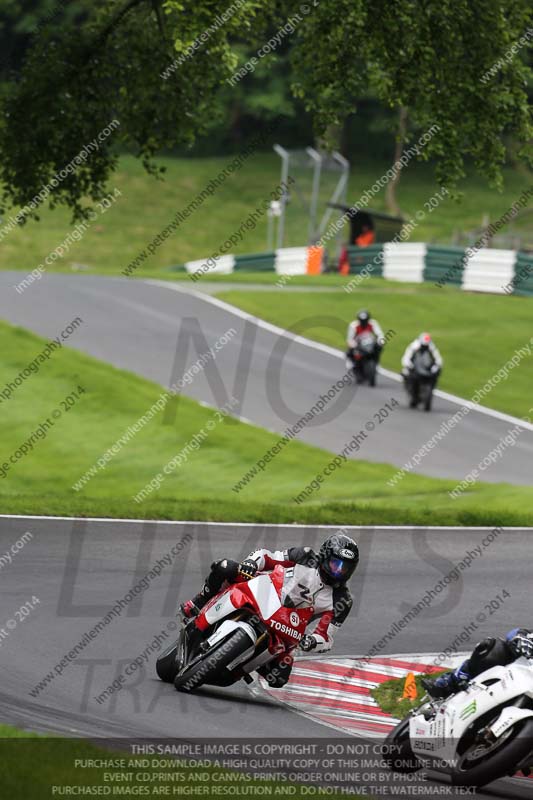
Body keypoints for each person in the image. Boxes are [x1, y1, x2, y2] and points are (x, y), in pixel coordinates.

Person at [180, 534, 359, 688]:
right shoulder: (305, 556)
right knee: (225, 566)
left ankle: (242, 663)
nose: (340, 571)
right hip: (266, 589)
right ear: (325, 557)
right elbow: (267, 556)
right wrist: (252, 563)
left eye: (346, 568)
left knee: (278, 678)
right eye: (337, 564)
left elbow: (326, 636)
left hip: (288, 626)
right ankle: (198, 602)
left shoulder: (342, 600)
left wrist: (312, 641)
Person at [423, 628, 533, 699]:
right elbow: (517, 633)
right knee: (495, 649)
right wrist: (520, 638)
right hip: (518, 676)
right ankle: (448, 683)